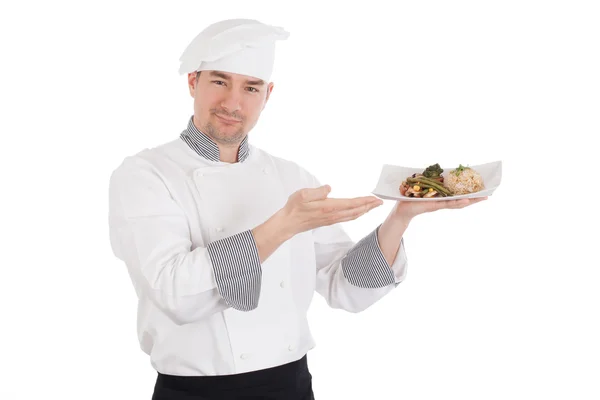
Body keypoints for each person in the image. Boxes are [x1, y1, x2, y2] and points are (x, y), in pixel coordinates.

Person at [108, 18, 487, 400]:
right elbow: (175, 292)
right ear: (193, 82)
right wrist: (285, 225)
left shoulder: (291, 176)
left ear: (267, 94)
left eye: (251, 87)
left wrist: (401, 216)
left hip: (291, 385)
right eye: (219, 81)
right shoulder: (146, 175)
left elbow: (345, 286)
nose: (233, 103)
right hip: (196, 391)